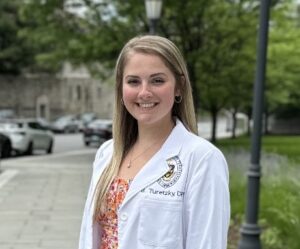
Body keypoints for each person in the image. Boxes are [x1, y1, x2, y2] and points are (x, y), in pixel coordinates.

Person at [79, 35, 230, 249]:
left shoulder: (202, 159)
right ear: (121, 88)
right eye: (133, 81)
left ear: (179, 86)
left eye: (157, 80)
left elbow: (207, 243)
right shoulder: (107, 153)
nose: (144, 92)